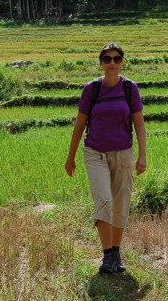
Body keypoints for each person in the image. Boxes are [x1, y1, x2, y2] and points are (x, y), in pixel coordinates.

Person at [65, 42, 147, 274]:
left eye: (117, 58)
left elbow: (139, 124)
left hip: (123, 152)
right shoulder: (92, 89)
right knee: (104, 200)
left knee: (121, 203)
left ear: (122, 61)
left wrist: (142, 155)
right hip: (95, 152)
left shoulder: (130, 88)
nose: (112, 63)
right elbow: (80, 124)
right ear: (101, 62)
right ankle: (106, 255)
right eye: (107, 59)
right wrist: (70, 158)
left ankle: (117, 253)